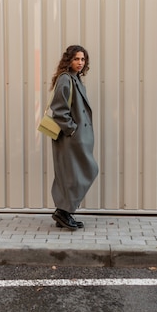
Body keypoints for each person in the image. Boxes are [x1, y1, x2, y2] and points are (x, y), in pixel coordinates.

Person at [48, 45, 99, 230]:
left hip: (76, 137)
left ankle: (64, 212)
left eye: (83, 59)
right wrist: (72, 130)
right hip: (69, 138)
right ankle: (63, 212)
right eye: (76, 59)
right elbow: (59, 109)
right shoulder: (65, 79)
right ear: (69, 60)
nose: (80, 63)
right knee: (74, 175)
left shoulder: (74, 79)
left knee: (73, 175)